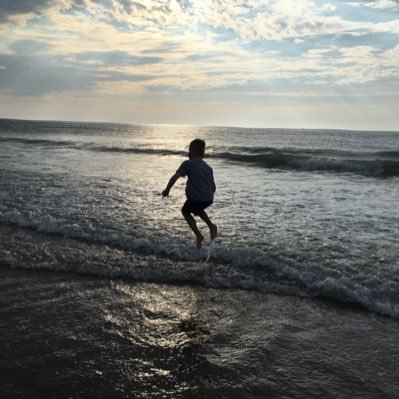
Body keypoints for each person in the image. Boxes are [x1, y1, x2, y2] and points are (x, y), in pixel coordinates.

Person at [162, 139, 217, 248]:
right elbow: (213, 187)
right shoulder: (208, 168)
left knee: (185, 211)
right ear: (203, 154)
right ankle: (211, 226)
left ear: (190, 152)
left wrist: (167, 190)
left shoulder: (188, 163)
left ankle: (199, 235)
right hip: (209, 198)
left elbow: (175, 177)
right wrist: (206, 194)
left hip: (196, 198)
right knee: (198, 208)